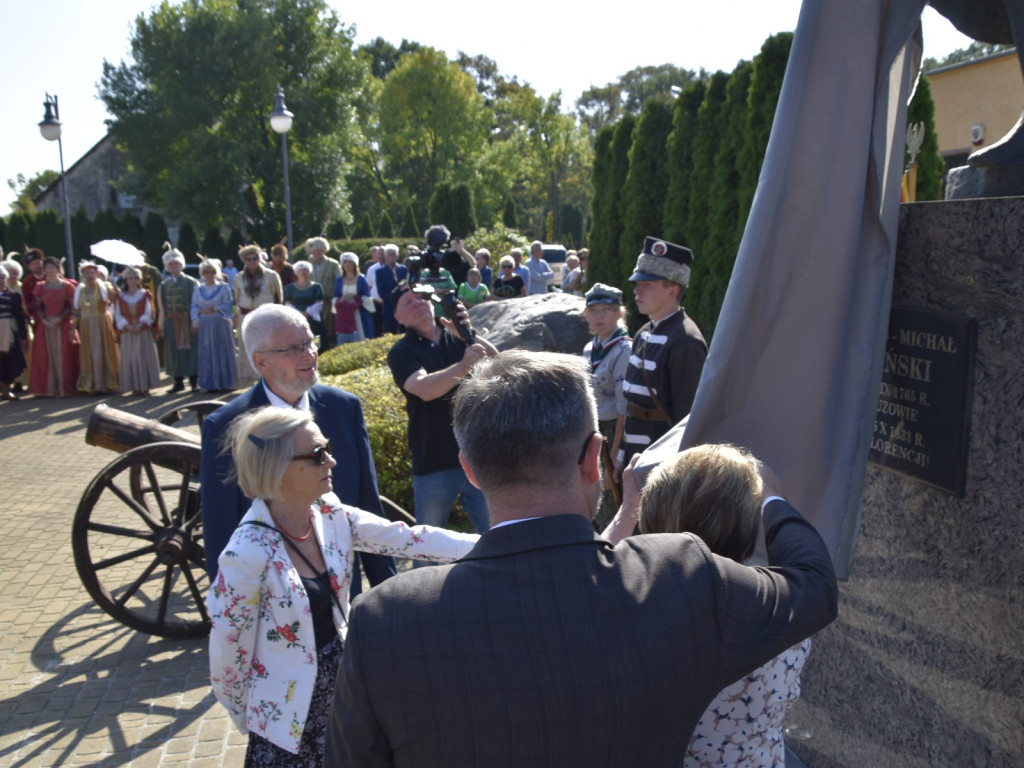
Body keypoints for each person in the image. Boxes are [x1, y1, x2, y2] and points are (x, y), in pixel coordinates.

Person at [326, 350, 838, 767]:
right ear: (595, 457)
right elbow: (813, 588)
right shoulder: (680, 575)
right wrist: (769, 496)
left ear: (471, 470)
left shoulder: (383, 620)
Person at [207, 406, 477, 767]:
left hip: (345, 690)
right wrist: (251, 717)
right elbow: (228, 655)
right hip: (290, 719)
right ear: (278, 467)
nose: (331, 461)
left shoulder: (328, 511)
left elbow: (409, 539)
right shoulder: (245, 554)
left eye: (328, 448)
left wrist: (496, 543)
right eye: (318, 454)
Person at [606, 443, 812, 768]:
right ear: (747, 545)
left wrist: (629, 506)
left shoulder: (623, 615)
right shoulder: (782, 618)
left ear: (647, 528)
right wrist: (773, 499)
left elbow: (587, 577)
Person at [200, 303, 397, 593]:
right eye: (293, 348)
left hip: (344, 589)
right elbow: (221, 525)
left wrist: (388, 590)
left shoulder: (344, 407)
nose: (309, 355)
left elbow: (367, 501)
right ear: (261, 361)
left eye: (309, 343)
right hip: (272, 600)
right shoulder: (227, 426)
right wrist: (231, 608)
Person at [386, 281, 496, 547]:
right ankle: (420, 589)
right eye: (408, 303)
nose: (418, 304)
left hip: (475, 451)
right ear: (398, 317)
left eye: (421, 298)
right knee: (427, 543)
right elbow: (424, 389)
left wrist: (468, 334)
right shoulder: (402, 351)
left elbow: (498, 364)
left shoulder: (457, 335)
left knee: (496, 533)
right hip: (434, 460)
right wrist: (464, 364)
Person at [618, 236, 708, 473]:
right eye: (638, 283)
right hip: (633, 458)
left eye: (647, 284)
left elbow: (688, 419)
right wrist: (619, 456)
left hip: (661, 466)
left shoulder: (686, 341)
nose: (637, 289)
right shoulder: (643, 334)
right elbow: (631, 406)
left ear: (673, 290)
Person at [582, 283, 631, 528]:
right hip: (592, 428)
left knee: (610, 498)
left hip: (613, 433)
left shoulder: (624, 350)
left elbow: (625, 409)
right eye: (594, 310)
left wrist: (614, 458)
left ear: (619, 313)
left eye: (607, 309)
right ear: (586, 314)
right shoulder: (590, 348)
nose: (599, 316)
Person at [233, 244, 283, 386]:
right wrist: (234, 316)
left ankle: (270, 377)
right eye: (249, 259)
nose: (252, 261)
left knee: (267, 347)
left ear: (259, 258)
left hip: (266, 317)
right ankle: (249, 380)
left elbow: (279, 297)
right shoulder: (239, 278)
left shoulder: (271, 275)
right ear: (244, 261)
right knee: (248, 348)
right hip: (246, 317)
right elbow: (235, 300)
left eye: (255, 258)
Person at [29, 257, 79, 397]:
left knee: (65, 355)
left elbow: (70, 306)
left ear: (58, 269)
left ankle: (65, 388)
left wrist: (60, 318)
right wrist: (45, 320)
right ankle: (50, 389)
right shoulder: (40, 286)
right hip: (45, 326)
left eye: (52, 267)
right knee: (45, 356)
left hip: (62, 324)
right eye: (47, 268)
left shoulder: (67, 286)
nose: (49, 270)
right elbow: (38, 306)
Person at [190, 259, 237, 393]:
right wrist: (196, 317)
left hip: (220, 323)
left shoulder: (223, 287)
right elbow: (193, 305)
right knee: (207, 352)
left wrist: (215, 308)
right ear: (202, 273)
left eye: (212, 271)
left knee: (222, 351)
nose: (209, 274)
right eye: (206, 272)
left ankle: (225, 382)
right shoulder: (198, 289)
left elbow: (230, 305)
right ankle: (210, 384)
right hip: (205, 325)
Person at [73, 262, 120, 394]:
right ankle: (92, 384)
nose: (90, 275)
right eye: (86, 273)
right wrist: (73, 329)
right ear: (82, 275)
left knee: (104, 350)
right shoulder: (80, 290)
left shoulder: (104, 286)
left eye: (92, 273)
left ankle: (106, 383)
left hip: (102, 322)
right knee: (90, 353)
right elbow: (76, 310)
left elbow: (114, 298)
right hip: (86, 324)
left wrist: (113, 286)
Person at [114, 266, 161, 396]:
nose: (133, 281)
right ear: (126, 280)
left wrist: (140, 323)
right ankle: (134, 385)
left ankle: (145, 385)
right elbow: (117, 314)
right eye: (130, 278)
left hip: (142, 330)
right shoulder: (120, 295)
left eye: (135, 278)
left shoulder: (145, 294)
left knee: (143, 356)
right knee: (131, 357)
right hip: (128, 331)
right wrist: (126, 325)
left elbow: (149, 311)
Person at [158, 244, 199, 393]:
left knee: (191, 350)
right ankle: (178, 382)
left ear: (181, 264)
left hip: (187, 320)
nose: (174, 266)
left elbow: (196, 303)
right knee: (173, 352)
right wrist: (161, 325)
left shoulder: (191, 282)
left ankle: (194, 381)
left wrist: (195, 321)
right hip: (171, 322)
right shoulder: (164, 284)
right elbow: (162, 306)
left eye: (176, 263)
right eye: (171, 264)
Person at [304, 237, 341, 350]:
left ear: (325, 250)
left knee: (331, 329)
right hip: (313, 304)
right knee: (315, 329)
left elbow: (339, 282)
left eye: (320, 250)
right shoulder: (308, 266)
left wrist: (336, 299)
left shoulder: (333, 264)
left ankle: (332, 349)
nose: (317, 252)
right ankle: (317, 350)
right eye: (315, 250)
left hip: (329, 302)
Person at [332, 252, 373, 345]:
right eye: (345, 262)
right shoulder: (339, 280)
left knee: (361, 334)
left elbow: (367, 295)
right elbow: (335, 296)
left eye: (350, 262)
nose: (347, 265)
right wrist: (343, 299)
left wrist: (356, 299)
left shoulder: (361, 279)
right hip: (344, 314)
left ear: (355, 264)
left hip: (359, 312)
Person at [0, 264, 28, 400]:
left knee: (9, 362)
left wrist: (23, 336)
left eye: (2, 278)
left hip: (8, 334)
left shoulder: (14, 296)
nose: (1, 280)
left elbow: (19, 317)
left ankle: (7, 389)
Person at [284, 260, 326, 344]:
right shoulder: (289, 288)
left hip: (313, 318)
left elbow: (319, 302)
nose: (303, 272)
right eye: (300, 270)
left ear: (309, 272)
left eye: (306, 270)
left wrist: (307, 313)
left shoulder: (316, 287)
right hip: (295, 319)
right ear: (296, 272)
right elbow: (288, 303)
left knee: (315, 339)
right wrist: (299, 314)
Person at [372, 244, 407, 334]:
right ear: (385, 256)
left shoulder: (404, 269)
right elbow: (381, 292)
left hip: (405, 307)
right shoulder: (380, 271)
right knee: (390, 332)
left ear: (398, 256)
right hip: (389, 308)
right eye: (389, 254)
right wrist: (395, 299)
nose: (392, 257)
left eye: (394, 254)